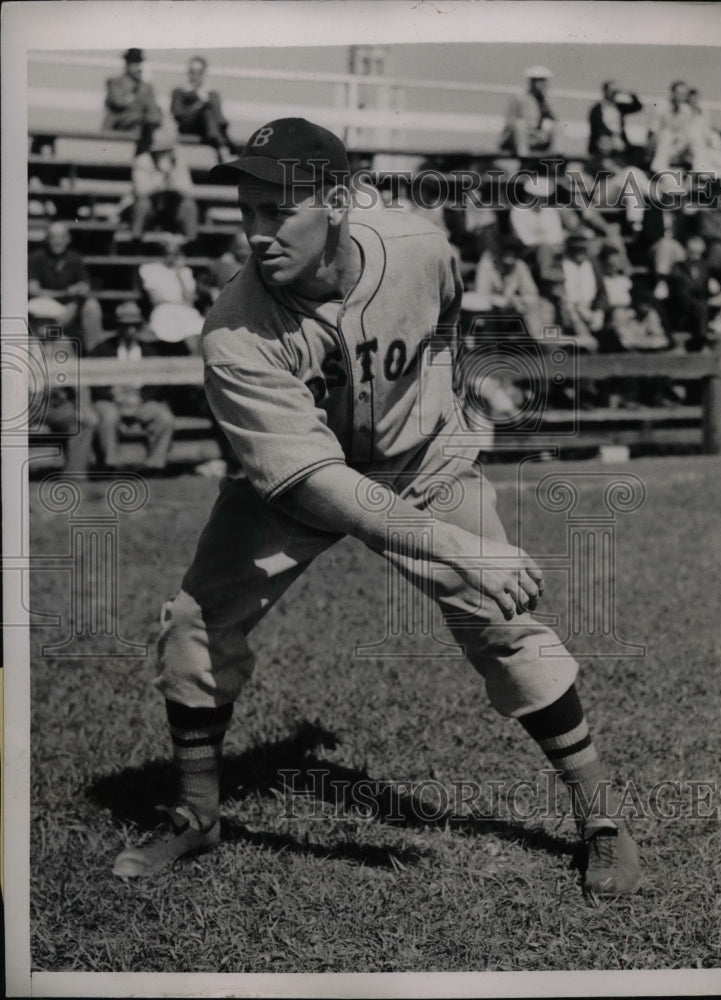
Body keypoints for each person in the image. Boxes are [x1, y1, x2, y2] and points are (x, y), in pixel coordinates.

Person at [111, 117, 641, 896]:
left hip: (423, 459)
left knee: (504, 622)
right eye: (248, 211)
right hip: (302, 484)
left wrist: (440, 424)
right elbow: (321, 482)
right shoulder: (235, 332)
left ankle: (601, 818)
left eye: (280, 209)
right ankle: (199, 815)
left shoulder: (419, 245)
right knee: (194, 624)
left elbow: (446, 324)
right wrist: (462, 548)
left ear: (338, 200)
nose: (258, 233)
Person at [89, 300, 175, 471]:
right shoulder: (102, 349)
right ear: (118, 326)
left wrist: (140, 398)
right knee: (109, 417)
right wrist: (114, 396)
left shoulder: (149, 351)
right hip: (111, 399)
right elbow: (93, 380)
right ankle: (110, 464)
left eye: (134, 326)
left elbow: (156, 383)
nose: (130, 330)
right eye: (126, 326)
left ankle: (154, 465)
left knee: (165, 418)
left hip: (140, 399)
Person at [28, 308, 100, 474]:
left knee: (84, 422)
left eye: (50, 321)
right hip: (25, 403)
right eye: (41, 321)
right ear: (32, 322)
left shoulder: (64, 344)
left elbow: (79, 379)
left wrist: (84, 405)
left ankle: (75, 475)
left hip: (55, 403)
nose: (45, 326)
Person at [28, 222, 104, 352]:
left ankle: (94, 352)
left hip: (70, 305)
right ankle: (47, 345)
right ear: (47, 239)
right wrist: (64, 295)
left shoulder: (75, 258)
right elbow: (33, 290)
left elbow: (85, 284)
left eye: (61, 237)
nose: (57, 241)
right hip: (45, 304)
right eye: (53, 237)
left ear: (68, 239)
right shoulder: (36, 258)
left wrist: (78, 288)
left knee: (92, 306)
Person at [130, 126, 199, 245]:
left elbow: (189, 190)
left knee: (189, 205)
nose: (165, 154)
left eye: (168, 150)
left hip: (171, 207)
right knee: (143, 204)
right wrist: (161, 177)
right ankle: (135, 243)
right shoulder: (142, 161)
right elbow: (142, 190)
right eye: (161, 151)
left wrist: (171, 177)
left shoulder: (179, 162)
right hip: (151, 207)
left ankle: (191, 244)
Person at [171, 55, 233, 162]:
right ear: (188, 72)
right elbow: (178, 114)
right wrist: (198, 104)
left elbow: (219, 116)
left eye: (199, 72)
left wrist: (206, 99)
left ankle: (220, 142)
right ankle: (223, 146)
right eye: (192, 71)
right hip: (187, 126)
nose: (194, 76)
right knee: (207, 112)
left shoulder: (212, 94)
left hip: (206, 128)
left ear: (204, 74)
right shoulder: (179, 91)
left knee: (209, 109)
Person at [103, 48, 163, 152]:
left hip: (140, 131)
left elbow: (154, 110)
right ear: (127, 65)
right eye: (135, 63)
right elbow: (118, 102)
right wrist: (140, 103)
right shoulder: (115, 83)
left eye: (140, 63)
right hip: (118, 129)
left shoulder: (146, 87)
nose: (138, 68)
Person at [499, 66, 558, 159]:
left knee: (552, 126)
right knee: (520, 125)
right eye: (538, 81)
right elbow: (510, 122)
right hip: (517, 137)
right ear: (532, 82)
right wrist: (530, 132)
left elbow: (553, 119)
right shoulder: (519, 98)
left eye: (543, 81)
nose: (541, 84)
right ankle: (524, 160)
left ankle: (555, 162)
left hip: (536, 138)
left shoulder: (546, 101)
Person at [587, 81, 643, 161]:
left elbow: (637, 107)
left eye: (615, 91)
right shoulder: (597, 109)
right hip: (604, 143)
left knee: (638, 152)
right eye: (611, 91)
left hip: (620, 142)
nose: (613, 93)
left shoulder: (618, 107)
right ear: (605, 91)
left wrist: (629, 93)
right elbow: (596, 129)